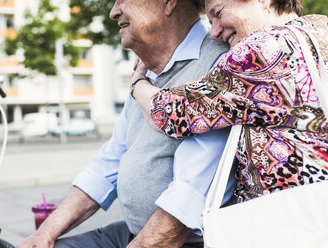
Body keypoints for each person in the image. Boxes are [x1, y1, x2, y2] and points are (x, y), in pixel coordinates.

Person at [17, 0, 231, 247]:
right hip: (134, 233)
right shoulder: (146, 74)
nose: (113, 12)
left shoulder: (218, 65)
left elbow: (188, 200)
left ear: (169, 2)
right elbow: (109, 163)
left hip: (183, 241)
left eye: (122, 0)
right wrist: (45, 232)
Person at [131, 0, 328, 203]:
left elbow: (169, 113)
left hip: (289, 219)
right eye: (210, 21)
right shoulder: (320, 28)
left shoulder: (260, 51)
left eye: (218, 13)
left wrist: (138, 83)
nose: (214, 33)